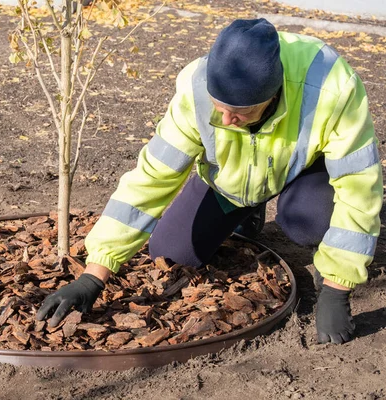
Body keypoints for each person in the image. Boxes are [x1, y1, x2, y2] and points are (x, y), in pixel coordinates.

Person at [35, 19, 383, 344]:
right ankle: (248, 208)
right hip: (228, 180)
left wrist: (338, 288)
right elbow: (151, 177)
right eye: (220, 108)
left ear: (273, 96)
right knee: (170, 253)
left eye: (240, 113)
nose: (226, 120)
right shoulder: (195, 89)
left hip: (302, 171)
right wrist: (95, 274)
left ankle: (308, 225)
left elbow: (358, 185)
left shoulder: (333, 88)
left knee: (311, 220)